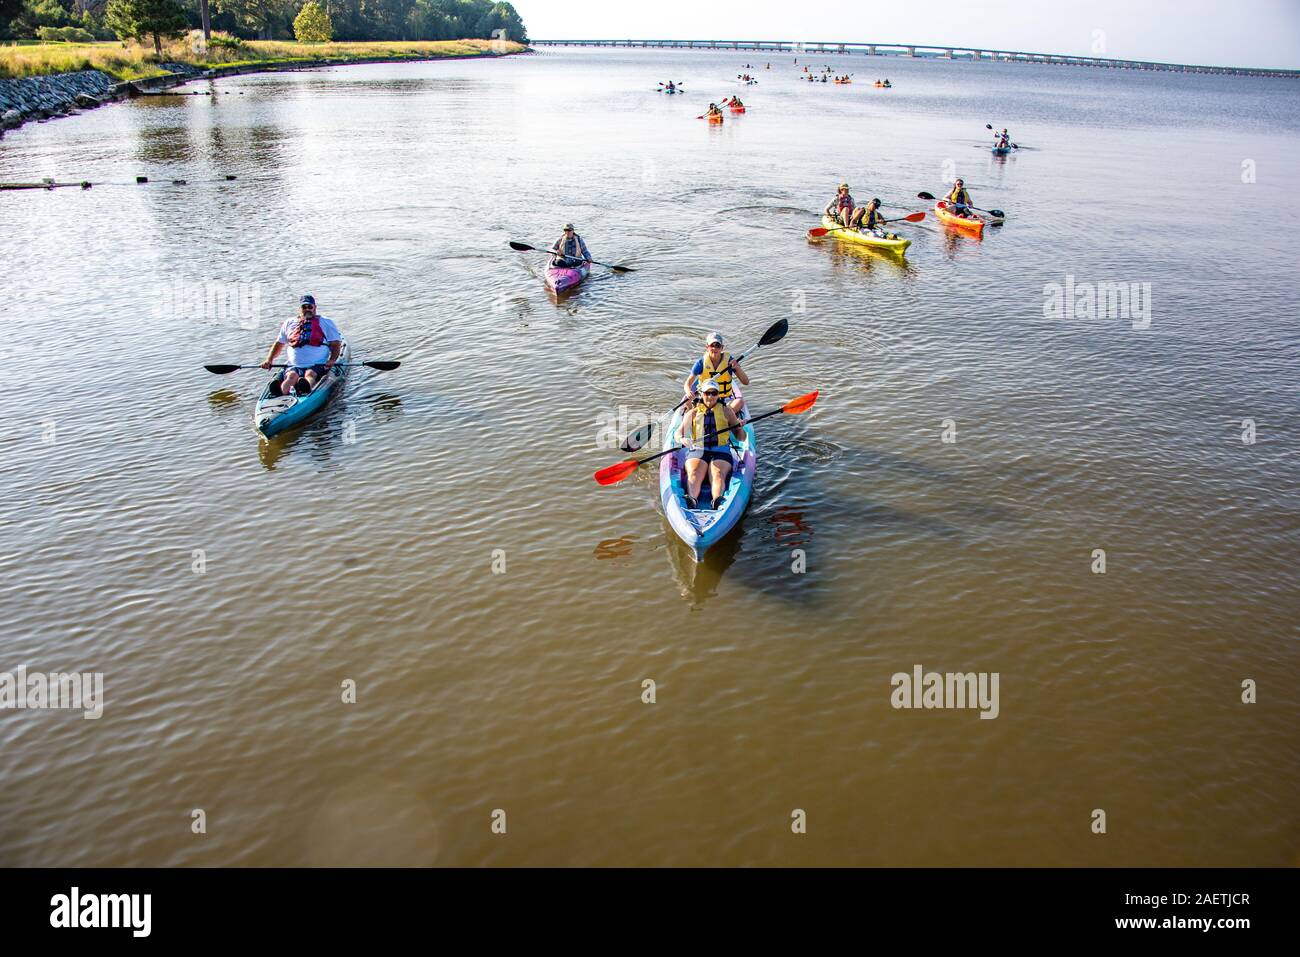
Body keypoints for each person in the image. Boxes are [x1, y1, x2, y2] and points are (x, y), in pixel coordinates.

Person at [678, 379, 745, 510]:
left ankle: (717, 501)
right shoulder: (693, 412)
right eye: (707, 393)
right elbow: (678, 433)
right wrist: (682, 439)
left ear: (718, 395)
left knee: (718, 473)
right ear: (702, 394)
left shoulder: (727, 411)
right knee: (694, 473)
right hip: (698, 449)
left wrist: (739, 427)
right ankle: (692, 499)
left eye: (714, 393)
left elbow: (741, 438)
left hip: (721, 450)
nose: (710, 396)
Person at [261, 295, 342, 397]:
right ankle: (279, 392)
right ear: (300, 309)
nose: (307, 309)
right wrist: (269, 360)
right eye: (304, 307)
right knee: (291, 376)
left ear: (315, 308)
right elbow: (279, 344)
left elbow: (336, 344)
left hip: (317, 364)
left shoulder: (325, 322)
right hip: (294, 365)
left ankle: (306, 387)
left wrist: (332, 360)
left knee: (310, 374)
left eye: (310, 307)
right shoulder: (289, 323)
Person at [684, 331, 749, 417]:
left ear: (722, 348)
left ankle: (721, 416)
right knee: (687, 400)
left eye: (717, 346)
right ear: (707, 347)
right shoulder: (701, 363)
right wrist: (688, 391)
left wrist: (737, 368)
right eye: (712, 345)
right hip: (706, 397)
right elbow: (688, 383)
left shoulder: (730, 361)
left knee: (740, 402)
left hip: (724, 398)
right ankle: (693, 419)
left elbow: (746, 382)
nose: (715, 348)